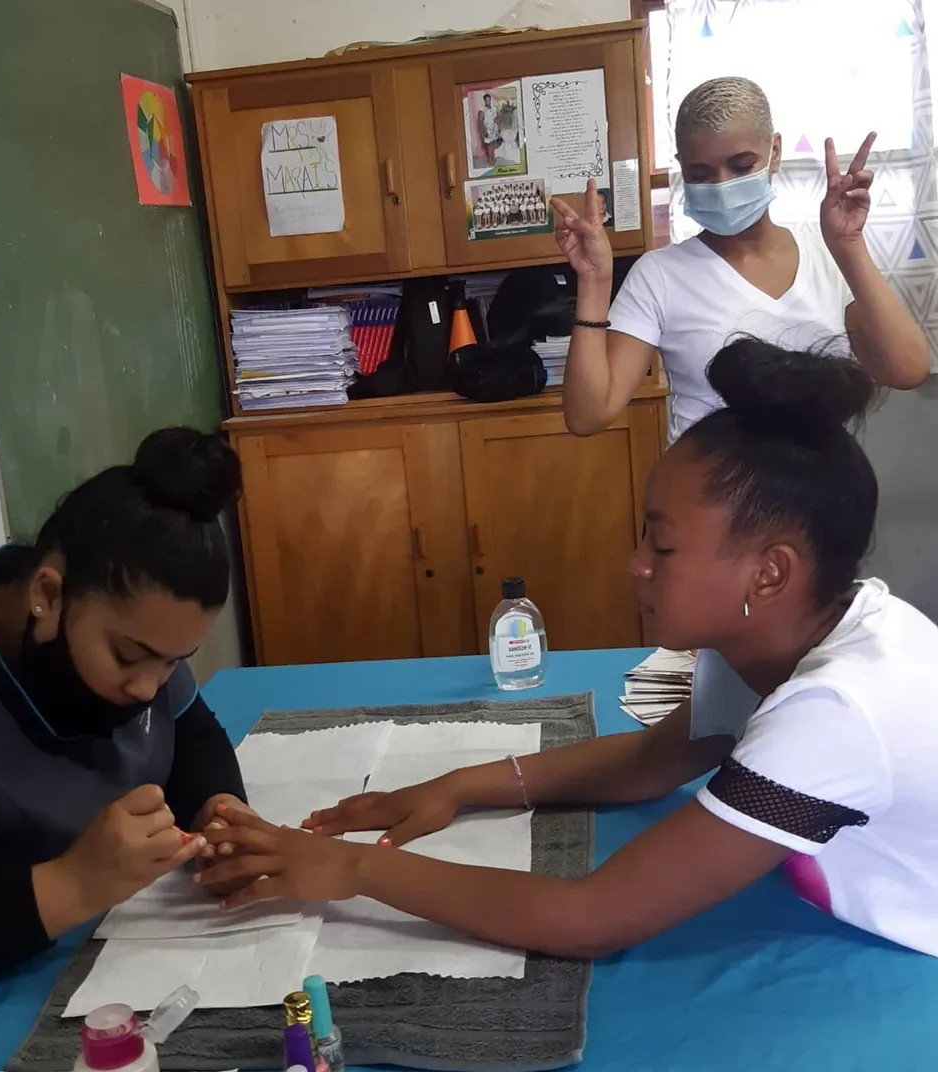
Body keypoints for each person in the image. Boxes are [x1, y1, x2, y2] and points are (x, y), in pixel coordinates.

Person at [196, 341, 938, 961]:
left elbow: (590, 918)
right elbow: (653, 760)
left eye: (663, 546)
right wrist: (459, 785)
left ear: (768, 574)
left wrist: (350, 868)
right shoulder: (778, 633)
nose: (635, 564)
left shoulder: (836, 711)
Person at [0, 427, 253, 999]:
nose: (147, 688)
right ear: (48, 595)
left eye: (173, 662)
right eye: (129, 658)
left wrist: (220, 811)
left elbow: (190, 731)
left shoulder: (133, 626)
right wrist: (73, 885)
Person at [556, 76, 929, 443]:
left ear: (774, 152)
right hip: (711, 482)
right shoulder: (659, 275)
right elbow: (588, 415)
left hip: (822, 479)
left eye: (741, 166)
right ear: (682, 167)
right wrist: (593, 281)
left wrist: (848, 245)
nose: (722, 185)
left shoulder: (827, 257)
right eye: (700, 173)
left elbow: (906, 370)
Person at [477, 93, 502, 167]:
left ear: (490, 100)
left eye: (489, 100)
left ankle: (493, 157)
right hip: (487, 129)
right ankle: (490, 160)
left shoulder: (493, 108)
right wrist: (484, 131)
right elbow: (480, 121)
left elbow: (498, 117)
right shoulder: (482, 110)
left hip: (494, 128)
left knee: (493, 144)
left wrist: (498, 126)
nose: (488, 101)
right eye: (486, 100)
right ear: (484, 101)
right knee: (489, 144)